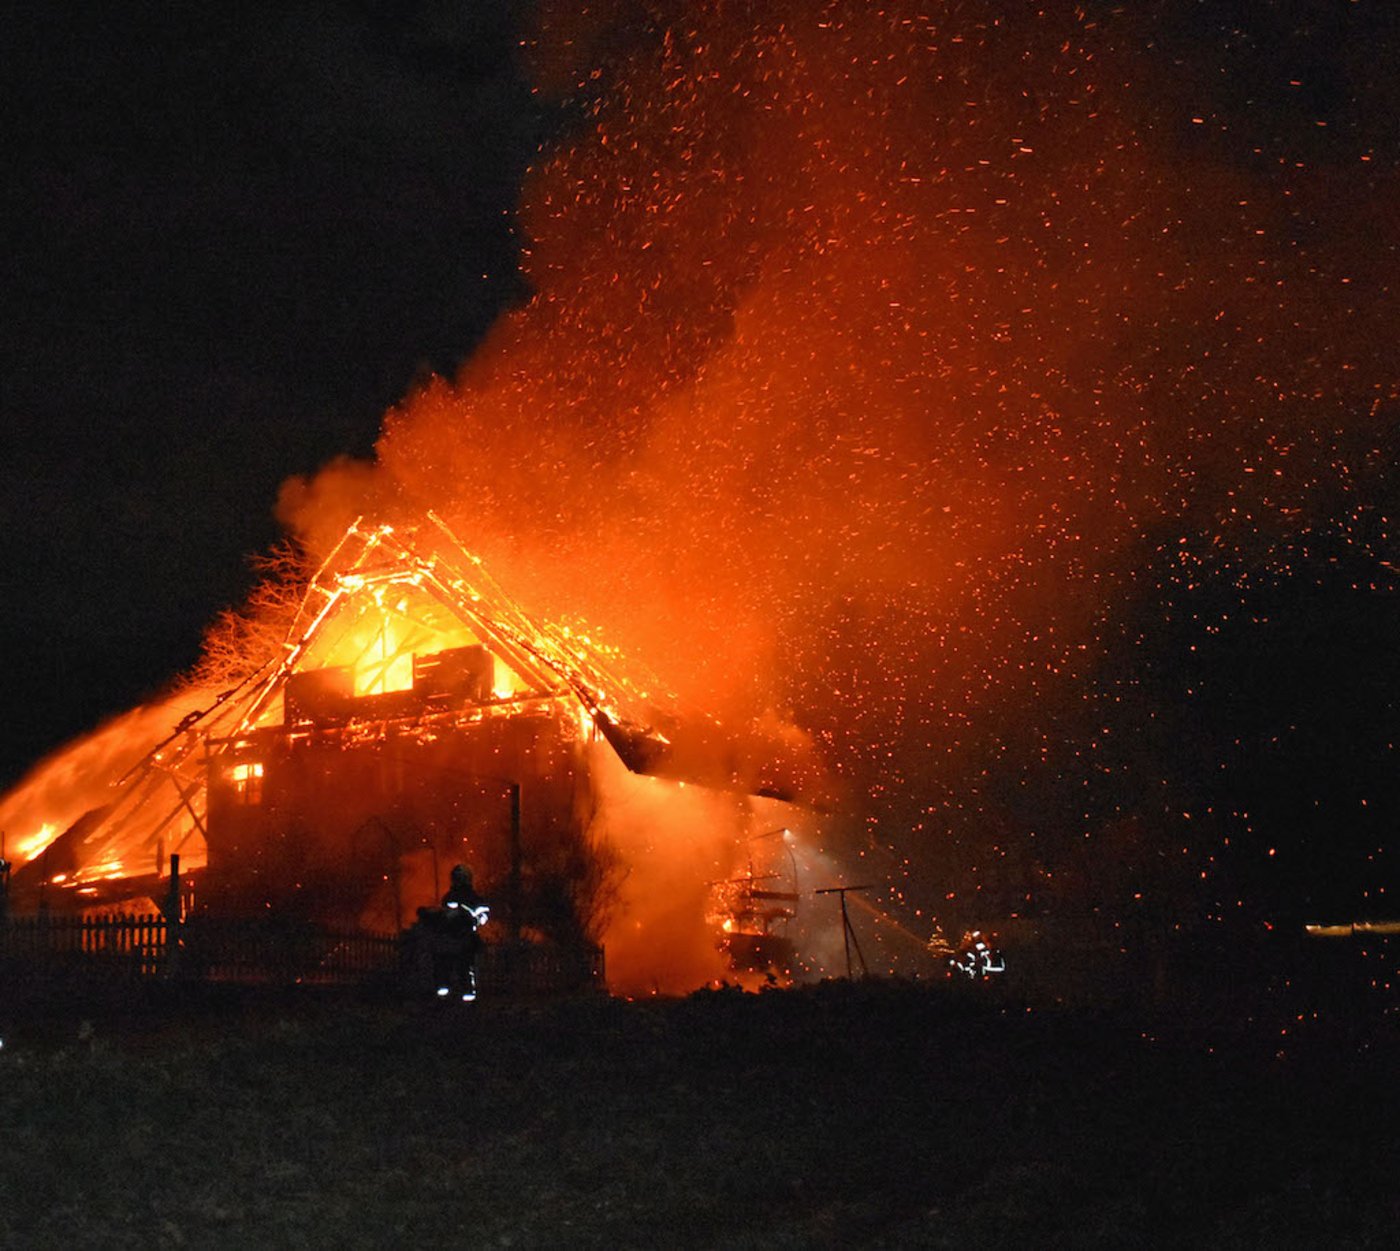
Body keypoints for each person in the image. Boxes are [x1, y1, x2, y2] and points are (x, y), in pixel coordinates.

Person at [434, 864, 489, 1001]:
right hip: (452, 937)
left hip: (464, 937)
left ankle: (464, 994)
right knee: (449, 964)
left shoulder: (472, 898)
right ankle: (449, 992)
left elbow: (483, 915)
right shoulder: (450, 897)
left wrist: (473, 919)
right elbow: (443, 915)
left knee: (463, 965)